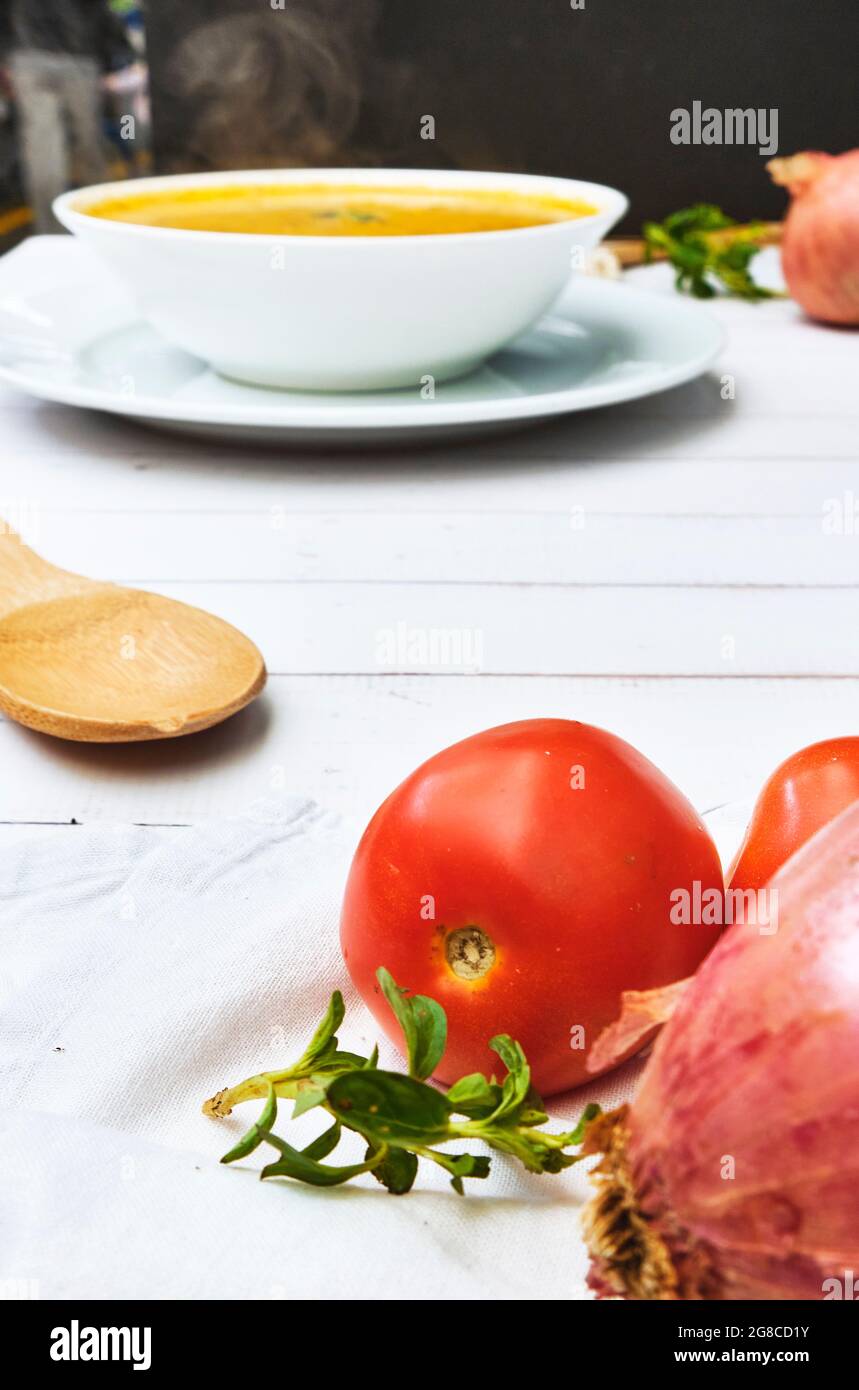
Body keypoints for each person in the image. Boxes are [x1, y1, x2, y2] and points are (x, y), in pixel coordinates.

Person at [0, 1, 127, 232]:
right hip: (78, 57)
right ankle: (103, 223)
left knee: (42, 149)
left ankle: (50, 232)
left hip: (29, 58)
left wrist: (6, 57)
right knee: (90, 145)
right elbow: (101, 12)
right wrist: (115, 59)